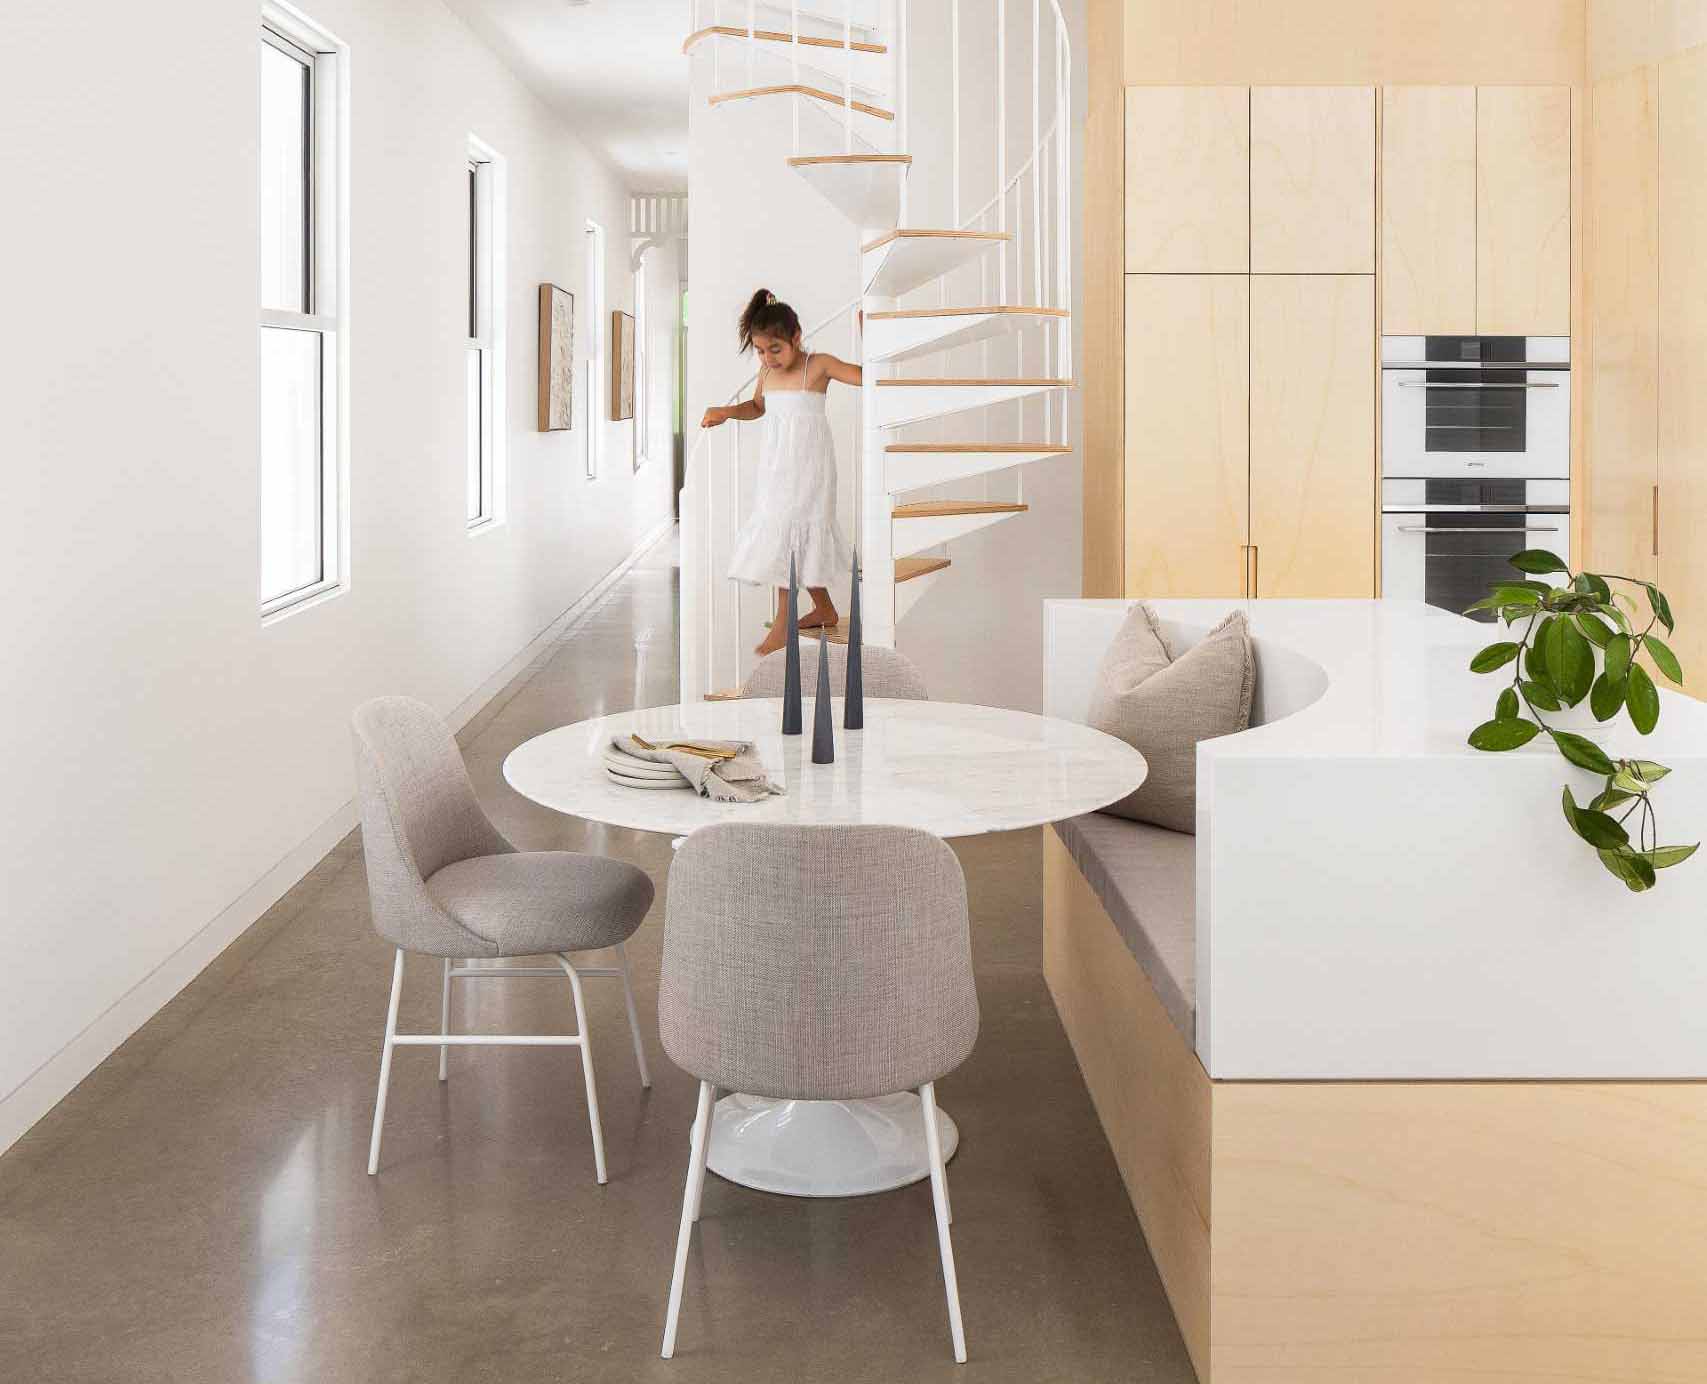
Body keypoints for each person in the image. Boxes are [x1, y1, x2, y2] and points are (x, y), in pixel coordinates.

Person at [702, 288, 860, 656]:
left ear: (796, 337)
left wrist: (869, 335)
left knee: (794, 532)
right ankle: (824, 607)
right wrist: (725, 412)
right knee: (783, 530)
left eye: (775, 349)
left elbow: (864, 376)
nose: (768, 358)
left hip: (810, 468)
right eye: (760, 350)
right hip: (776, 467)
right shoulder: (766, 374)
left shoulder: (817, 365)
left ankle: (783, 624)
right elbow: (757, 407)